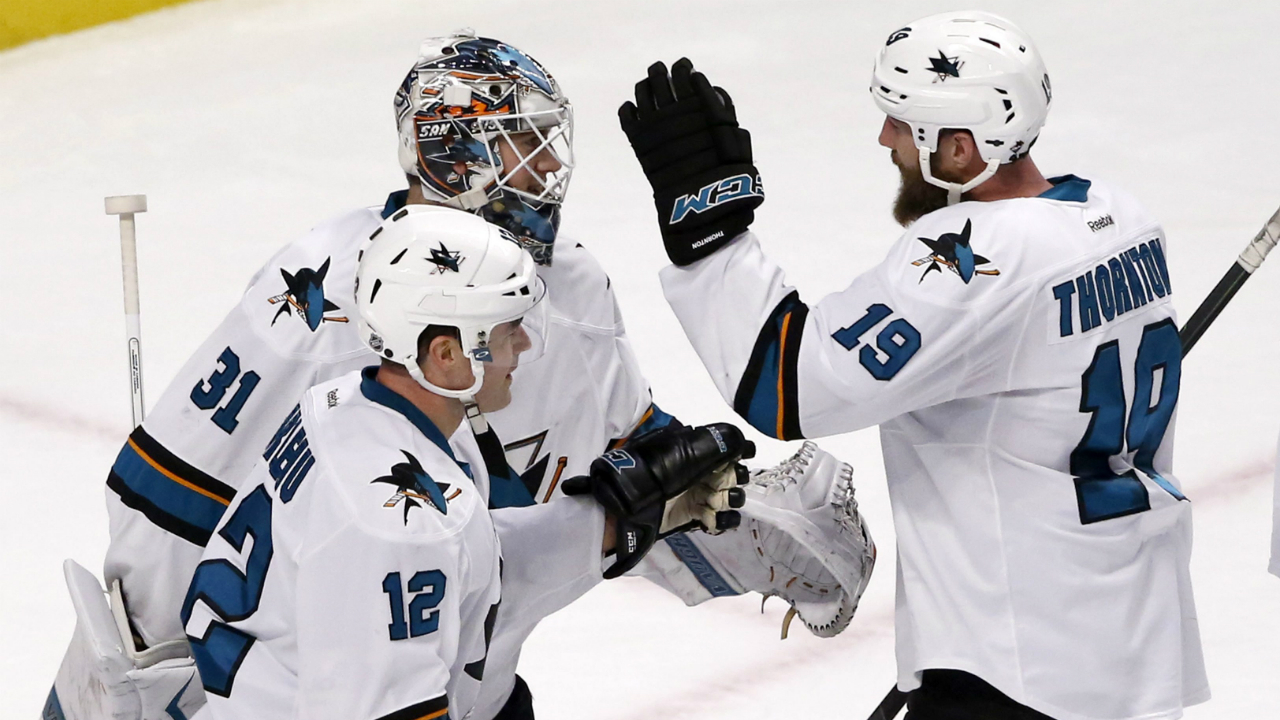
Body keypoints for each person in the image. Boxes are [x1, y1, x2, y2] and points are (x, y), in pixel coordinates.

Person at [47, 29, 872, 720]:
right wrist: (139, 680)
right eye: (521, 141)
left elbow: (625, 477)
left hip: (467, 677)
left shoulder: (568, 286)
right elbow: (170, 503)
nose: (547, 167)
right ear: (452, 155)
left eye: (548, 141)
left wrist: (750, 532)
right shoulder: (320, 299)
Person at [618, 10, 1208, 720]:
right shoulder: (1122, 217)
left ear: (960, 149)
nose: (886, 139)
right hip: (1132, 642)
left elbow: (788, 386)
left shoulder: (979, 262)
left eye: (902, 123)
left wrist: (711, 233)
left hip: (1016, 666)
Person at [180, 205, 749, 720]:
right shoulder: (393, 526)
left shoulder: (349, 405)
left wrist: (618, 517)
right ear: (446, 354)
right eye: (506, 331)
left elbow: (469, 564)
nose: (523, 346)